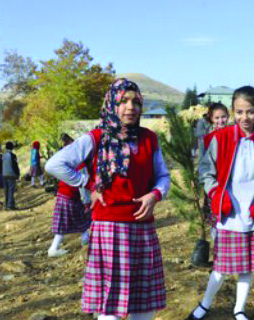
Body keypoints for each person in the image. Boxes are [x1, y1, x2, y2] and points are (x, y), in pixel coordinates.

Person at [45, 78, 170, 320]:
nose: (130, 107)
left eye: (136, 101)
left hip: (143, 229)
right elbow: (55, 164)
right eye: (123, 101)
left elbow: (163, 176)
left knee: (143, 307)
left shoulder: (148, 138)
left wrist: (155, 195)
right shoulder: (96, 138)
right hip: (110, 228)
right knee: (111, 305)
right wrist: (88, 183)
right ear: (112, 103)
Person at [188, 86, 254, 320]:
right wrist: (216, 194)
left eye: (250, 112)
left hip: (253, 213)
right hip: (229, 213)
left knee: (246, 267)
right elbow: (205, 171)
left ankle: (239, 309)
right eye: (239, 112)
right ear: (233, 112)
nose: (244, 118)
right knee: (220, 268)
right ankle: (204, 305)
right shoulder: (221, 138)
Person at [46, 134, 92, 257]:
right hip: (70, 196)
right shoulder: (79, 164)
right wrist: (87, 201)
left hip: (64, 195)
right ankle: (53, 248)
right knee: (68, 221)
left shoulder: (65, 160)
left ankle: (85, 239)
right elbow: (83, 183)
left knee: (79, 218)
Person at [2, 141, 20, 210]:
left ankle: (6, 205)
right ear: (12, 147)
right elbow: (15, 166)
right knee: (11, 190)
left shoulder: (3, 155)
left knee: (6, 190)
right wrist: (18, 174)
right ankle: (10, 205)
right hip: (11, 174)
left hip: (4, 174)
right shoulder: (13, 155)